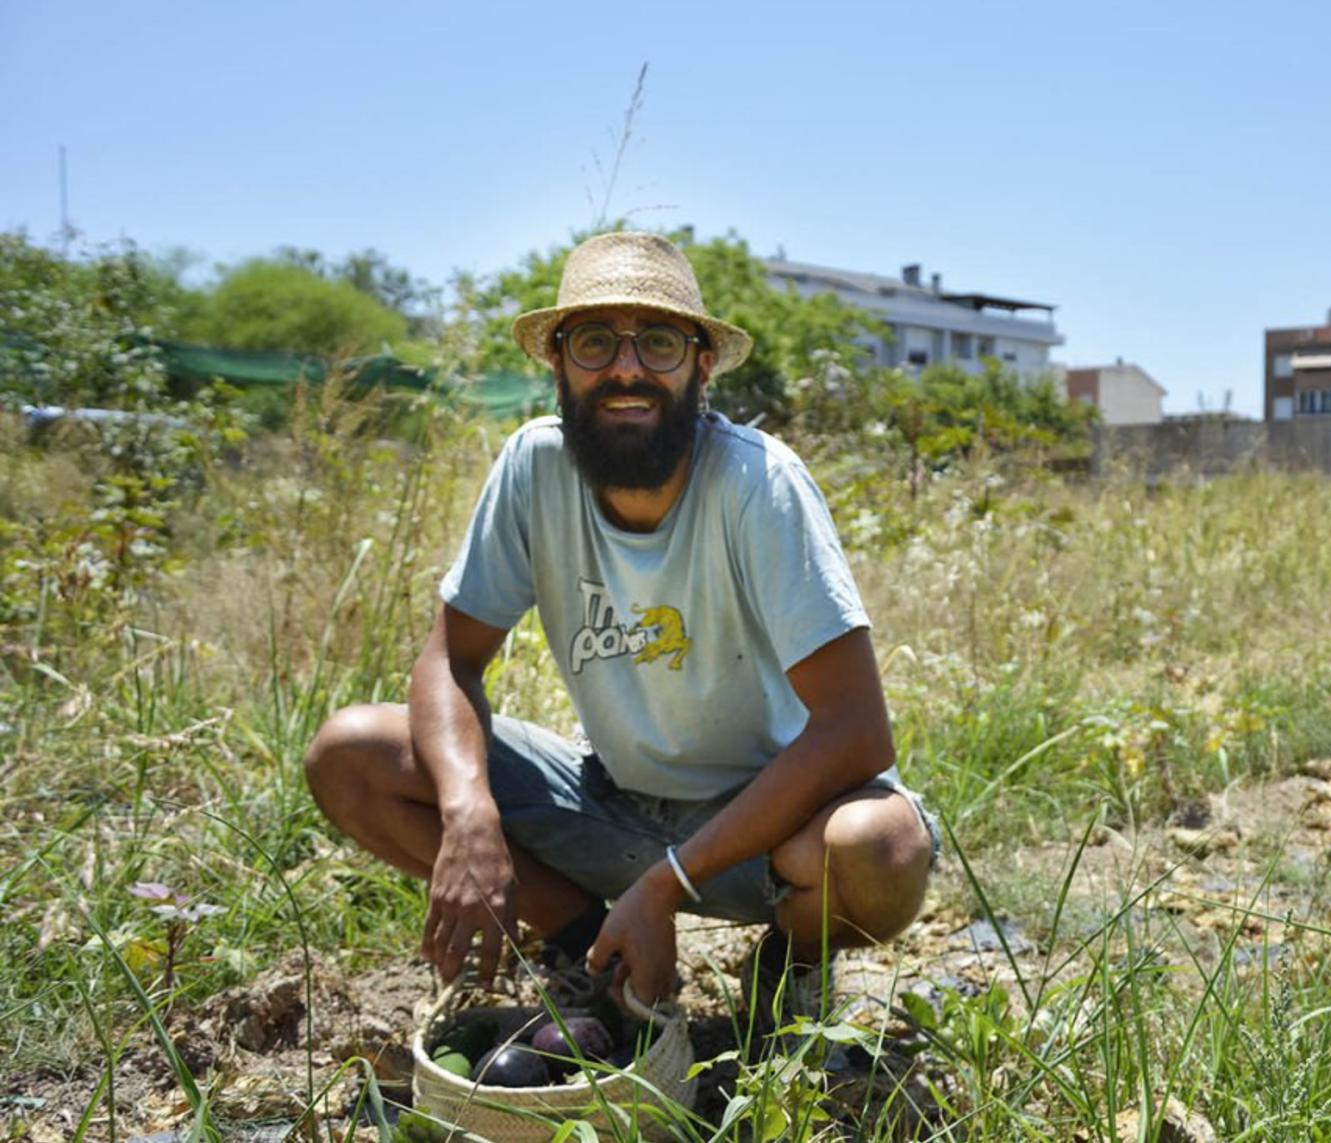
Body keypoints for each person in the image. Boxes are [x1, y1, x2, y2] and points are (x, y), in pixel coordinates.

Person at [303, 231, 938, 1047]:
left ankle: (793, 960)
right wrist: (468, 812)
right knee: (351, 753)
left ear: (701, 365)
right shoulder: (534, 467)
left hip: (771, 827)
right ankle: (581, 946)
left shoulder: (758, 484)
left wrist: (666, 887)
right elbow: (450, 658)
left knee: (882, 847)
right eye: (596, 341)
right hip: (608, 798)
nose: (627, 368)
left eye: (660, 342)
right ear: (559, 363)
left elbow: (857, 732)